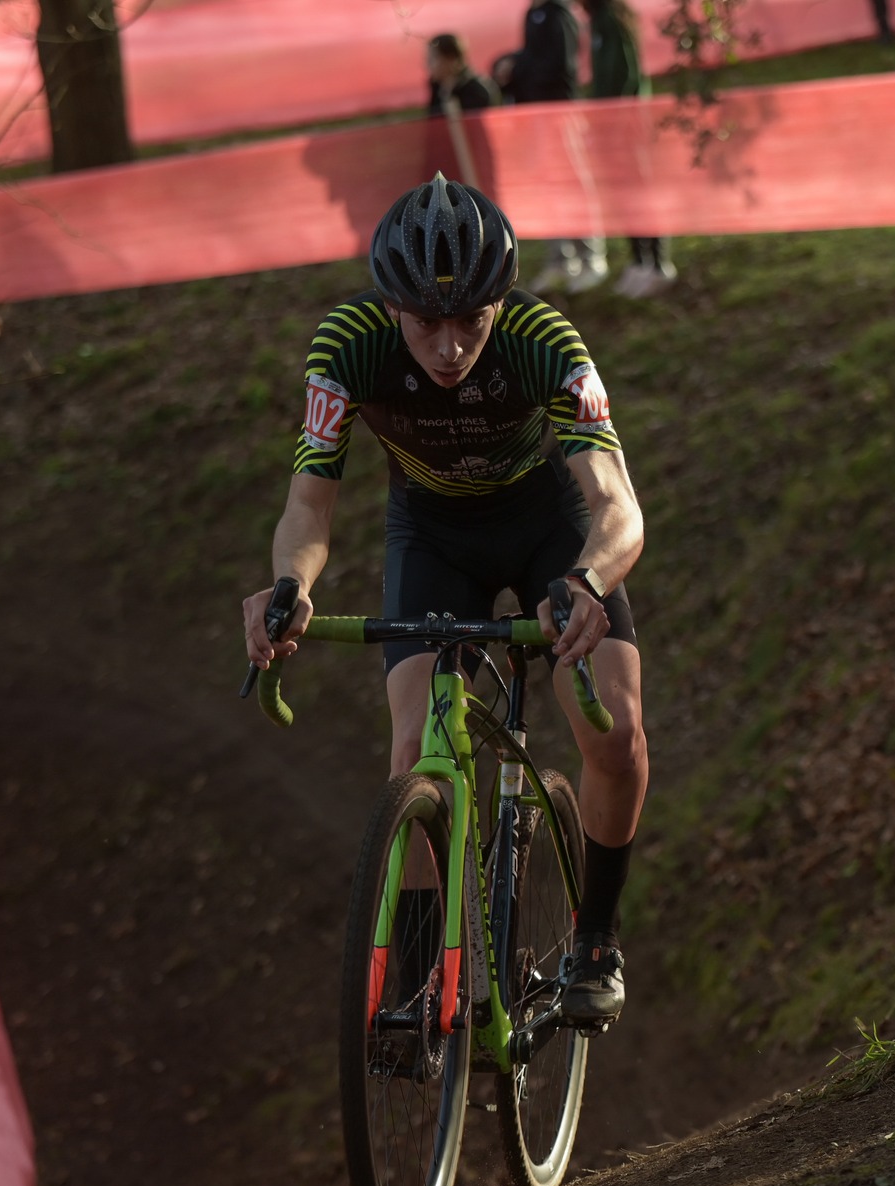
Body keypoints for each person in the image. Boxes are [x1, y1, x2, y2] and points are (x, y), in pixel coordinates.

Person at [243, 175, 647, 1026]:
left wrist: (587, 580)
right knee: (412, 750)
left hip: (549, 530)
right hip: (431, 536)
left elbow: (618, 503)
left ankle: (595, 941)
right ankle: (419, 986)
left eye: (471, 319)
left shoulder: (543, 338)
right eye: (426, 323)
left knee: (615, 733)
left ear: (502, 303)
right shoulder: (348, 343)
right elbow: (309, 506)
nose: (450, 346)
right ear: (392, 307)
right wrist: (291, 584)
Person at [502, 0, 606, 294]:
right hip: (534, 118)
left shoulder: (558, 14)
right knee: (546, 188)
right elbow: (532, 55)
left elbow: (558, 65)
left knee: (573, 184)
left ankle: (591, 258)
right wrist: (507, 64)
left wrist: (519, 69)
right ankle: (561, 260)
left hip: (558, 116)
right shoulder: (533, 13)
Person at [582, 0, 675, 298]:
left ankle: (659, 264)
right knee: (624, 195)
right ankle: (639, 261)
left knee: (641, 191)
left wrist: (614, 121)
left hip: (627, 129)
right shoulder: (598, 21)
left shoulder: (611, 20)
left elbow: (626, 75)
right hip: (611, 129)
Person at [425, 33, 500, 116]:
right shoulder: (438, 87)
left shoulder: (476, 90)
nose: (428, 64)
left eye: (433, 58)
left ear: (452, 59)